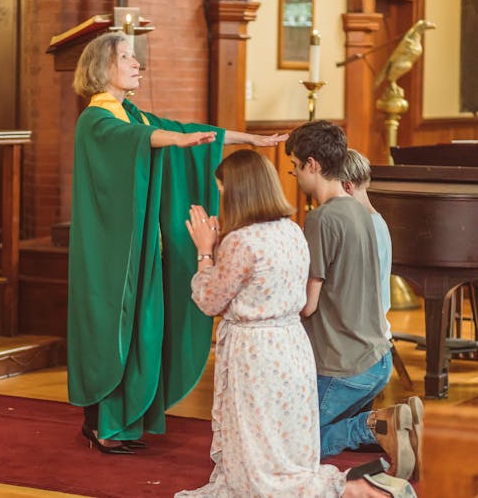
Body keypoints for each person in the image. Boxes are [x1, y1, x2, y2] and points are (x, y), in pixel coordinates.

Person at [67, 31, 288, 455]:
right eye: (127, 57)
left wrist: (251, 140)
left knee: (145, 329)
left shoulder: (134, 116)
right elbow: (137, 141)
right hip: (112, 255)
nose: (137, 64)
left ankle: (128, 421)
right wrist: (177, 140)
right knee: (117, 330)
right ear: (102, 67)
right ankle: (102, 424)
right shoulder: (96, 120)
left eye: (136, 58)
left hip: (145, 249)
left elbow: (190, 132)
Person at [176, 149, 414, 497]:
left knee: (262, 451)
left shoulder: (242, 242)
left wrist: (205, 250)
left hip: (256, 353)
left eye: (224, 191)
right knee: (286, 441)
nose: (222, 198)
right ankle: (362, 486)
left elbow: (209, 300)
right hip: (293, 345)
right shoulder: (290, 230)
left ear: (239, 192)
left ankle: (358, 491)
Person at [286, 120, 418, 480]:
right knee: (322, 432)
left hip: (343, 367)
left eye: (295, 167)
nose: (295, 176)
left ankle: (376, 425)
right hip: (376, 360)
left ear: (312, 165)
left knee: (287, 444)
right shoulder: (364, 213)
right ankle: (392, 429)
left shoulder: (321, 218)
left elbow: (307, 305)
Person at [342, 148, 424, 481]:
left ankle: (385, 424)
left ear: (345, 187)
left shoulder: (355, 226)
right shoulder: (378, 221)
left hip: (355, 349)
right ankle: (400, 429)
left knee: (300, 435)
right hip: (378, 342)